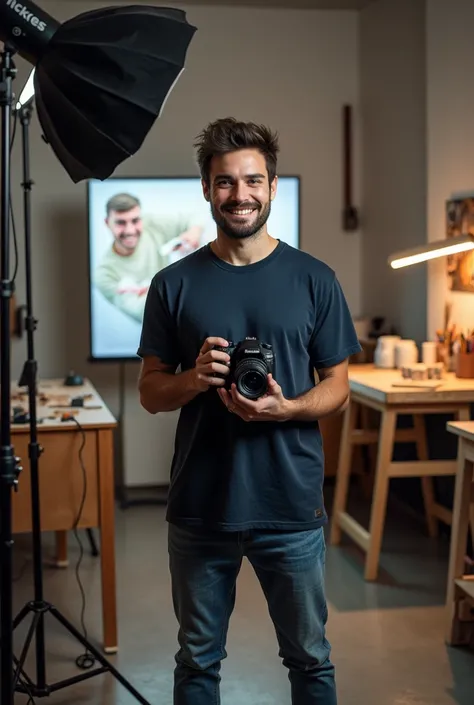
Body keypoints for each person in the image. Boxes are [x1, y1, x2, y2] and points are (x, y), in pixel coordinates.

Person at [137, 117, 361, 705]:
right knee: (197, 662)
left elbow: (339, 384)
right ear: (207, 189)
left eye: (253, 180)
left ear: (273, 186)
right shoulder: (171, 284)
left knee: (310, 660)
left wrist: (287, 408)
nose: (241, 195)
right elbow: (149, 392)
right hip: (200, 506)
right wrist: (191, 379)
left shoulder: (315, 279)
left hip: (290, 506)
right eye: (226, 182)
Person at [93, 192, 204, 321]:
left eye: (135, 221)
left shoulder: (151, 224)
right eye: (121, 222)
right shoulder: (104, 274)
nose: (130, 230)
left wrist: (194, 232)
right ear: (107, 223)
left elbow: (197, 218)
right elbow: (143, 313)